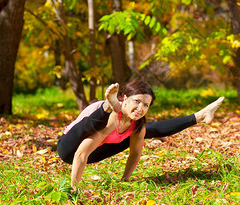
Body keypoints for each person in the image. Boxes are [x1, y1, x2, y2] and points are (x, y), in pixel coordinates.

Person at [57, 80, 225, 188]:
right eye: (137, 102)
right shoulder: (112, 121)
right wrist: (73, 188)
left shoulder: (137, 123)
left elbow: (135, 153)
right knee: (104, 121)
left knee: (146, 129)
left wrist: (125, 180)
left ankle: (200, 116)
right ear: (125, 97)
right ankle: (106, 107)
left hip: (94, 153)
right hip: (68, 147)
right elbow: (80, 154)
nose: (141, 109)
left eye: (146, 105)